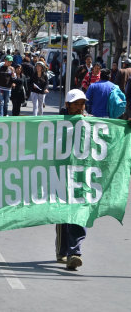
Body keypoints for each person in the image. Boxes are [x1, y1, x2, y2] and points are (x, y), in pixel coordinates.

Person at [57, 88, 89, 271]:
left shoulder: (90, 121)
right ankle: (63, 250)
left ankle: (74, 253)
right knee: (62, 214)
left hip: (82, 175)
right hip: (60, 172)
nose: (79, 107)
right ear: (67, 105)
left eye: (82, 103)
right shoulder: (56, 123)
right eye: (76, 104)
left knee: (78, 211)